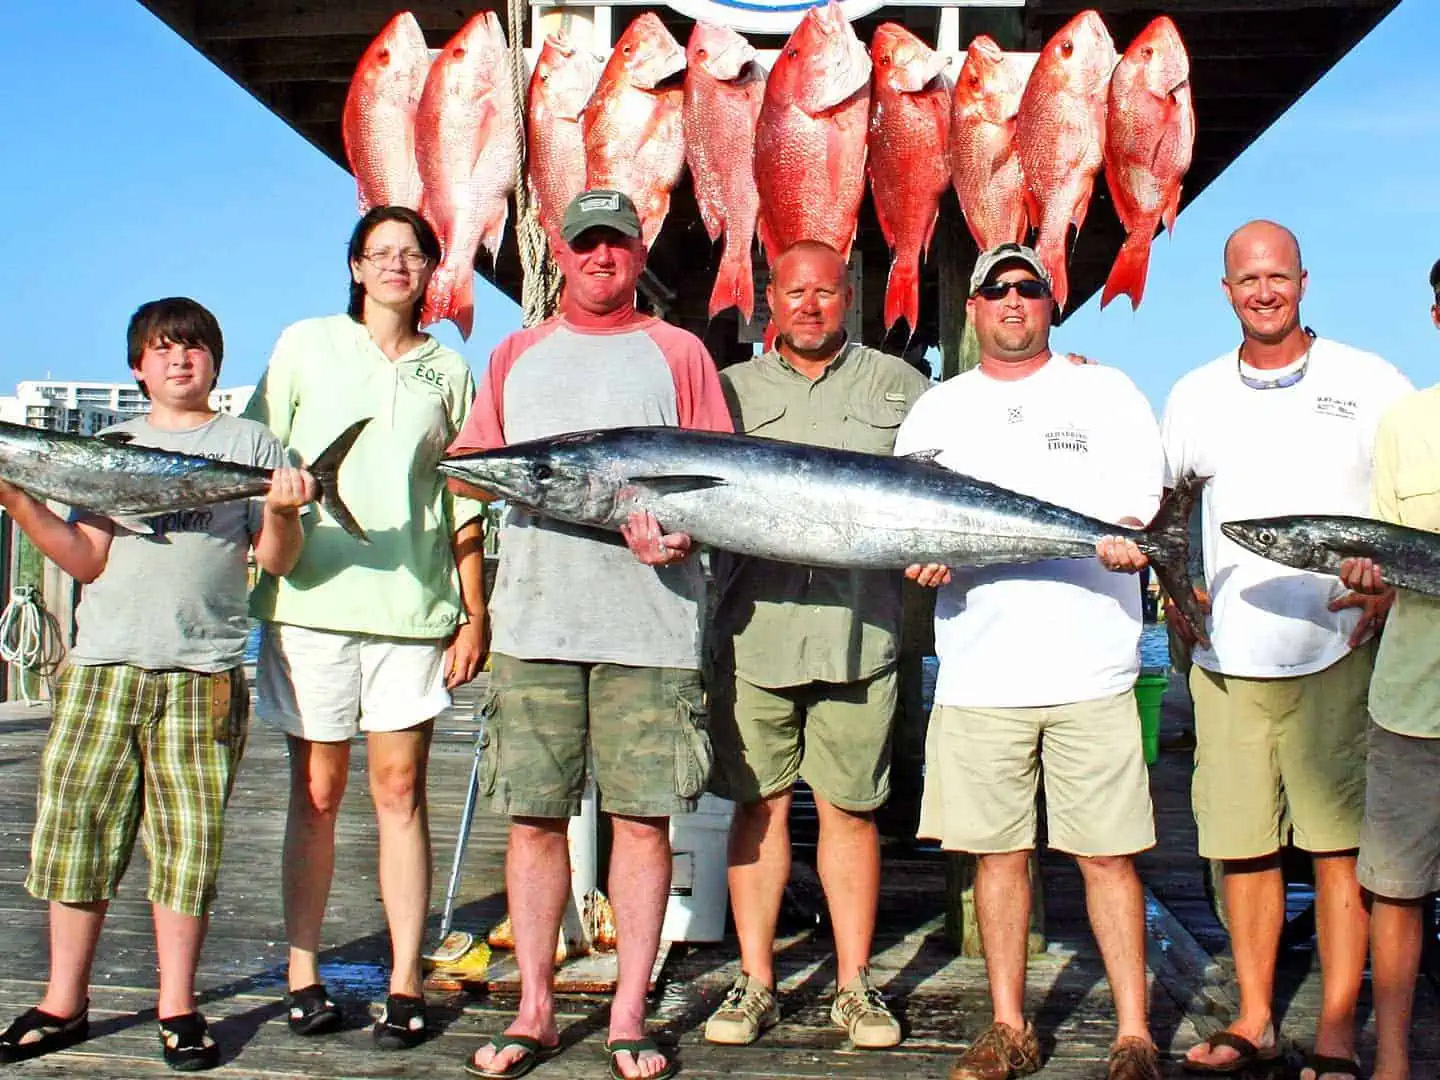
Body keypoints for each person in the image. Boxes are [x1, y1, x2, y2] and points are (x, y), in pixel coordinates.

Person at [446, 189, 732, 1080]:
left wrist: (683, 529)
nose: (601, 258)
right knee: (533, 821)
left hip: (651, 627)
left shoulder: (679, 352)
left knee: (642, 824)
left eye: (615, 244)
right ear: (558, 255)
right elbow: (471, 471)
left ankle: (629, 1011)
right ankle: (534, 1006)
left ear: (639, 252)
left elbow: (720, 482)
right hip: (536, 623)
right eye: (585, 245)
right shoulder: (516, 355)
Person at [0, 298, 315, 1071]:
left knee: (188, 848)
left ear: (215, 360)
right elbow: (84, 558)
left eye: (195, 348)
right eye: (163, 350)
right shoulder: (110, 445)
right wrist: (17, 498)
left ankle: (179, 1007)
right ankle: (62, 1000)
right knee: (78, 838)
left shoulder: (251, 442)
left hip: (202, 672)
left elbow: (276, 561)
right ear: (137, 367)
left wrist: (283, 510)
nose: (181, 360)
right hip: (104, 666)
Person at [895, 243, 1167, 1080]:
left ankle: (1134, 1033)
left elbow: (1141, 501)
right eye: (995, 291)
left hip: (1093, 670)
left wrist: (1130, 541)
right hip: (981, 675)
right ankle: (1010, 1025)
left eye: (1028, 288)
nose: (1013, 302)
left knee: (1108, 856)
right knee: (998, 857)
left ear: (1051, 303)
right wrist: (920, 556)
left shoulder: (1105, 390)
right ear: (973, 311)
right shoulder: (938, 409)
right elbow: (904, 514)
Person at [1157, 221, 1412, 1079]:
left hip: (1337, 648)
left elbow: (1409, 514)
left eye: (1277, 276)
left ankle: (1338, 1033)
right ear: (1225, 291)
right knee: (1243, 844)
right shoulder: (1192, 394)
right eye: (1246, 279)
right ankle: (1257, 1017)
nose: (1263, 291)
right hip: (1227, 659)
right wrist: (1175, 585)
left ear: (1304, 280)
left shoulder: (1372, 383)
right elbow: (1167, 514)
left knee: (1341, 848)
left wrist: (1390, 583)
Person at [243, 206, 489, 1049]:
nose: (396, 265)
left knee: (399, 791)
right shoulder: (305, 343)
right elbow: (257, 453)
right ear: (355, 267)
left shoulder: (448, 370)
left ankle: (405, 977)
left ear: (430, 272)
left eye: (412, 254)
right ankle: (304, 973)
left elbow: (461, 499)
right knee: (315, 795)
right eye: (381, 253)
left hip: (412, 609)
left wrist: (472, 611)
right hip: (309, 604)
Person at [699, 239, 928, 1052]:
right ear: (770, 298)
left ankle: (853, 984)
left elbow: (958, 481)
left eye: (825, 293)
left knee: (851, 811)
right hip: (752, 633)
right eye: (794, 292)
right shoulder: (726, 391)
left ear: (849, 298)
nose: (809, 305)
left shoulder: (902, 387)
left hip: (861, 635)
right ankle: (755, 980)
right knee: (756, 810)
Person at [1332, 258, 1440, 1080]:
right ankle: (1395, 1060)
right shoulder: (1405, 423)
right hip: (1412, 703)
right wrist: (1369, 583)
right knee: (1398, 886)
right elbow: (1384, 547)